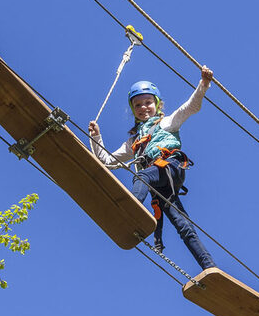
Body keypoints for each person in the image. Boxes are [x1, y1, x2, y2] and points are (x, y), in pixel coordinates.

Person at [88, 66, 217, 271]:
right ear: (134, 110)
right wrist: (96, 137)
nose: (143, 107)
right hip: (159, 183)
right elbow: (106, 161)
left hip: (169, 167)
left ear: (157, 104)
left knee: (142, 177)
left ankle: (130, 209)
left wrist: (204, 84)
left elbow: (190, 107)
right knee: (182, 225)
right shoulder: (134, 142)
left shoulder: (166, 123)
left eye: (148, 102)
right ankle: (209, 267)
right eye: (138, 105)